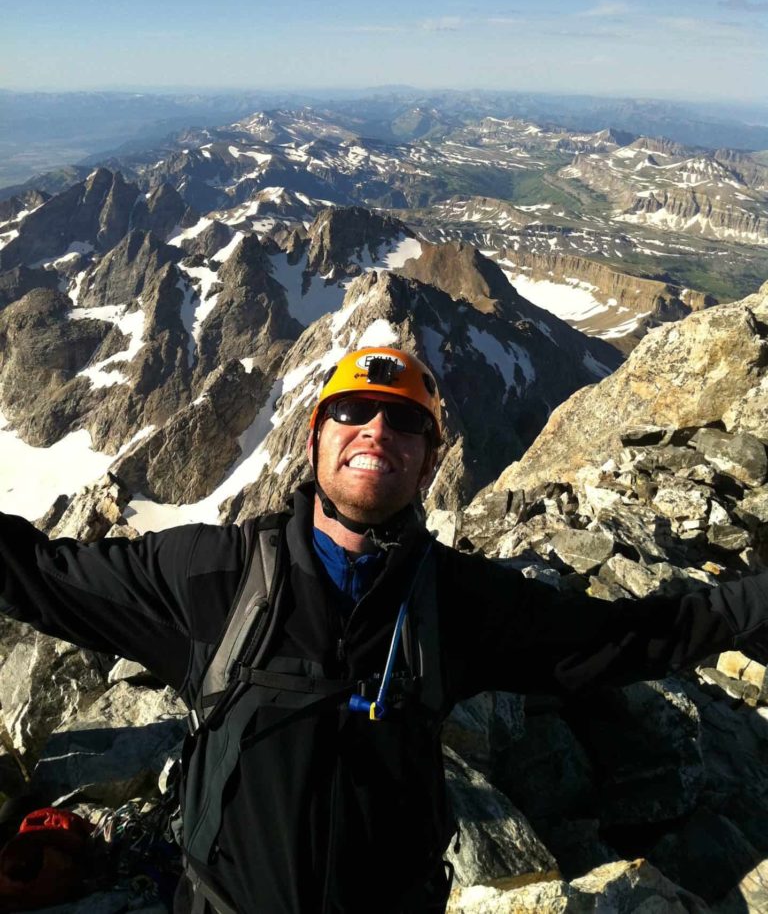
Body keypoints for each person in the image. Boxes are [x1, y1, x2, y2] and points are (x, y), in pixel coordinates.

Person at [1, 345, 768, 914]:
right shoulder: (213, 576)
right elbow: (37, 574)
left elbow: (635, 637)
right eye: (350, 411)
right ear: (313, 440)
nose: (375, 429)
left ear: (433, 461)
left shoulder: (461, 602)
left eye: (404, 422)